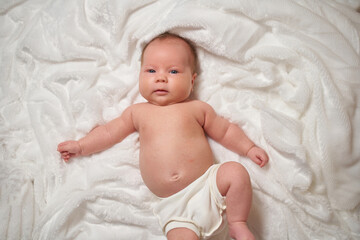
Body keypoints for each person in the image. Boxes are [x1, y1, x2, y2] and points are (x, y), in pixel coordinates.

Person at [57, 32, 269, 240]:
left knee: (236, 172)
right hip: (174, 205)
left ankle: (237, 223)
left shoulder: (197, 108)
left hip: (208, 184)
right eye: (150, 70)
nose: (160, 78)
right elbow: (108, 132)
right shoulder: (137, 112)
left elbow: (225, 130)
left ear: (192, 81)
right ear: (139, 75)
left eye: (174, 72)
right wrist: (81, 146)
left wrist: (249, 148)